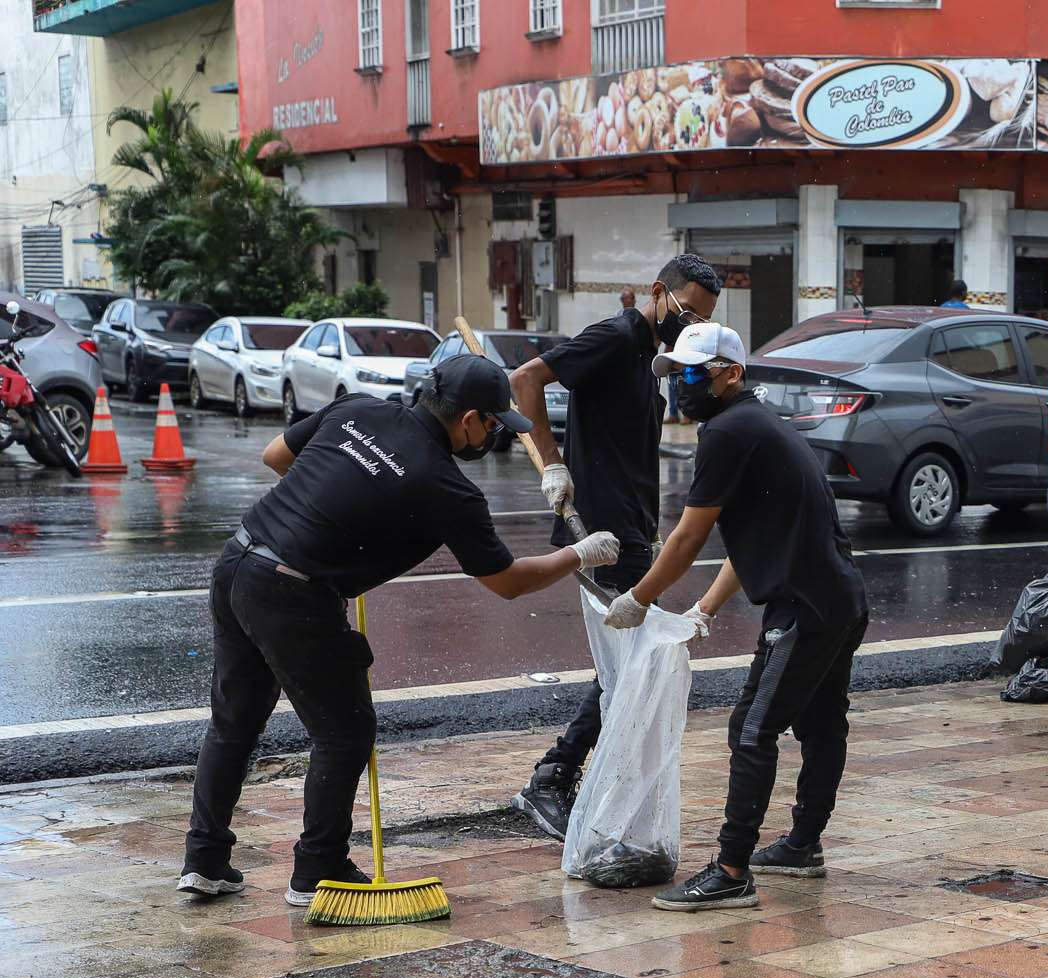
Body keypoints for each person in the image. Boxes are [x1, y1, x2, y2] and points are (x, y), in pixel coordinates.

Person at [178, 357, 620, 904]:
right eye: (496, 426)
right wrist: (577, 553)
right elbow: (506, 581)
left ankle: (204, 861)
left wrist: (342, 508)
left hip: (239, 562)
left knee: (234, 723)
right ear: (470, 420)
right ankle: (319, 870)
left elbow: (276, 457)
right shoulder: (447, 488)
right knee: (344, 734)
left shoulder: (357, 409)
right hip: (295, 591)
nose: (496, 437)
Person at [605, 323, 869, 911]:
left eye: (694, 372)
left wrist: (639, 599)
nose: (682, 384)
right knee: (821, 725)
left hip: (805, 607)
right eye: (676, 373)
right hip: (839, 600)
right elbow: (753, 541)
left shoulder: (727, 432)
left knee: (752, 729)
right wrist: (703, 609)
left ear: (732, 372)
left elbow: (687, 538)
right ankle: (802, 845)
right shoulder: (758, 424)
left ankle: (731, 870)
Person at [509, 254, 721, 838]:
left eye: (702, 317)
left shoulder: (654, 358)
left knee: (629, 664)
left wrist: (650, 529)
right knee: (629, 664)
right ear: (659, 292)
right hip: (597, 530)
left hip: (633, 528)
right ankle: (553, 777)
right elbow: (524, 380)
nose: (691, 323)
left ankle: (575, 776)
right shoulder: (614, 335)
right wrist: (553, 465)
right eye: (688, 310)